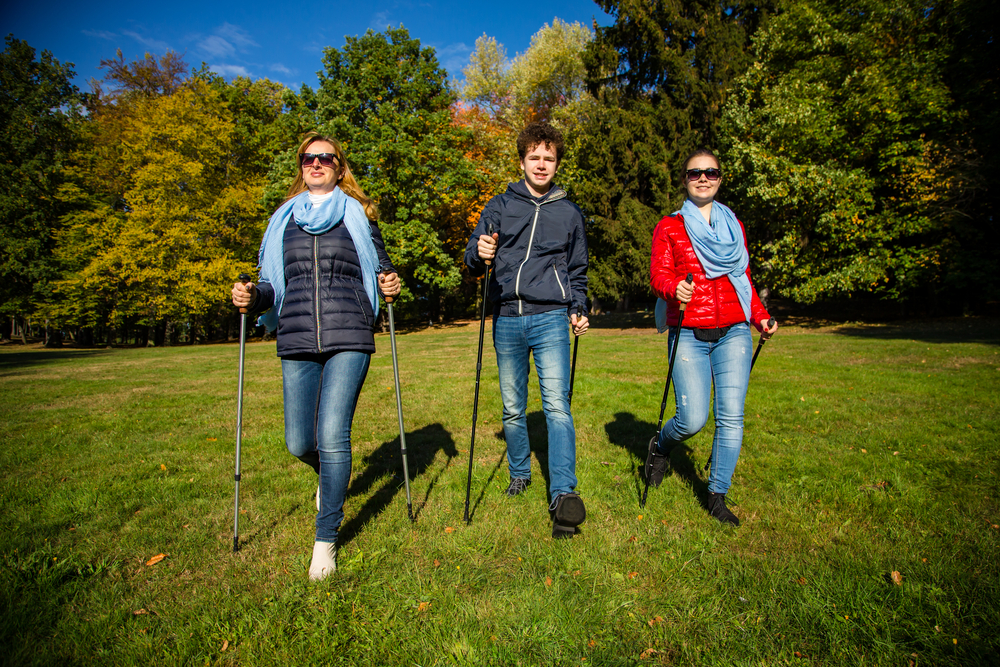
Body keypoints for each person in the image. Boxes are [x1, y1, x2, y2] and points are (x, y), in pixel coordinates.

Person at [231, 132, 400, 579]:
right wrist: (251, 296)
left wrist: (391, 283)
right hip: (296, 336)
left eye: (326, 158)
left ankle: (325, 540)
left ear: (340, 167)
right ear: (301, 166)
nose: (317, 163)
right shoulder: (282, 221)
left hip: (350, 333)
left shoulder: (359, 217)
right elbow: (271, 286)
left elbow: (382, 269)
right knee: (298, 442)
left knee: (332, 433)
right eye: (309, 158)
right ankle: (331, 480)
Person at [464, 122, 590, 539]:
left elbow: (577, 270)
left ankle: (563, 494)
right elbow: (472, 254)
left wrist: (578, 307)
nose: (541, 164)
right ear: (522, 161)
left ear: (556, 164)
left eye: (549, 158)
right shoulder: (500, 206)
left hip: (552, 318)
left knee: (557, 406)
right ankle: (520, 473)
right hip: (507, 318)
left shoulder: (569, 213)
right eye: (534, 157)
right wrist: (479, 250)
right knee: (513, 408)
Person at [645, 148, 778, 526]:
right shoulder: (669, 226)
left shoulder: (733, 224)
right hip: (688, 329)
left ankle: (717, 495)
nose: (703, 178)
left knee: (731, 417)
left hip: (734, 330)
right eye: (694, 173)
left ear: (720, 178)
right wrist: (674, 289)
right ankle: (662, 445)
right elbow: (658, 275)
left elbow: (743, 279)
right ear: (684, 180)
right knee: (691, 418)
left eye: (711, 172)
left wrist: (761, 318)